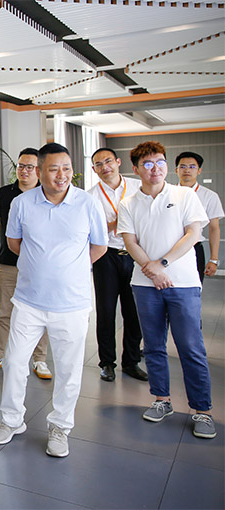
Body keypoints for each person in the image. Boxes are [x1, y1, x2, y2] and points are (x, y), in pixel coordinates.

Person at [0, 143, 108, 458]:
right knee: (14, 362)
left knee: (68, 369)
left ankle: (60, 427)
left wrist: (67, 269)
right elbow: (14, 243)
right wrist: (41, 266)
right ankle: (11, 420)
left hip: (72, 304)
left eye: (66, 168)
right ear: (40, 171)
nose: (61, 175)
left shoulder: (87, 203)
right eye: (54, 169)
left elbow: (99, 247)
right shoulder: (22, 203)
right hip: (29, 301)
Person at [118, 141, 216, 440]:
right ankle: (162, 399)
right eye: (148, 164)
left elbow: (193, 234)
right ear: (136, 169)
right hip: (144, 285)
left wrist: (161, 264)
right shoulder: (129, 203)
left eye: (160, 162)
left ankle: (202, 409)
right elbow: (130, 241)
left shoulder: (184, 195)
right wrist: (151, 270)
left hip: (183, 283)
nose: (155, 168)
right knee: (153, 346)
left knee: (191, 347)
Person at [0, 148, 51, 379]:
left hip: (39, 265)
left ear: (39, 170)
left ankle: (39, 359)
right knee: (4, 312)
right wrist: (13, 244)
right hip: (8, 262)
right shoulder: (4, 193)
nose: (24, 171)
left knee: (40, 312)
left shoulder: (46, 194)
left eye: (29, 167)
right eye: (21, 166)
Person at [87, 148, 147, 383]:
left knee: (134, 311)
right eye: (99, 164)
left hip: (135, 254)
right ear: (94, 169)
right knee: (105, 311)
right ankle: (107, 363)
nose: (105, 167)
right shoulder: (91, 196)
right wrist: (117, 223)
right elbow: (91, 230)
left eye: (108, 161)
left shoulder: (138, 187)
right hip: (106, 256)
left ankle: (131, 361)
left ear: (118, 162)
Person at [174, 151, 223, 282]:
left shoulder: (210, 196)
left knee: (194, 288)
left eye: (192, 167)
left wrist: (213, 259)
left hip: (194, 248)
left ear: (199, 170)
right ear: (176, 170)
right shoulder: (166, 193)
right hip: (169, 247)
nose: (187, 170)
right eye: (183, 166)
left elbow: (214, 228)